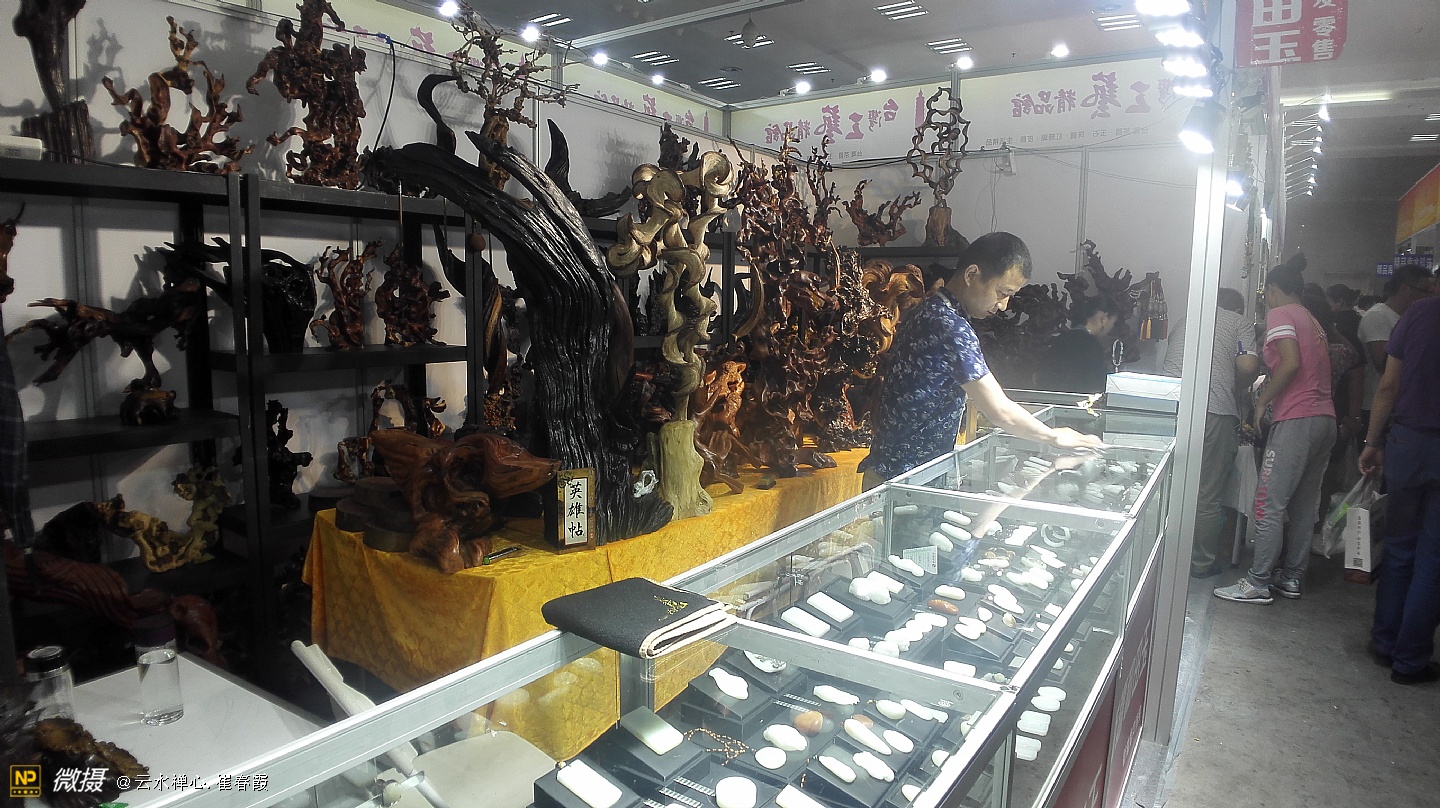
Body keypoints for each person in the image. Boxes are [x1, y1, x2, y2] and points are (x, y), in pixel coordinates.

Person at [859, 232, 1104, 489]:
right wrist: (1053, 436)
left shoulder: (929, 309)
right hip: (905, 481)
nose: (1003, 305)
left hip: (893, 473)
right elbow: (1000, 411)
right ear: (971, 274)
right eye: (1002, 292)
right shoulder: (951, 326)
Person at [1215, 264, 1335, 604]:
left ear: (1270, 288)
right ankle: (1292, 577)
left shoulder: (1281, 313)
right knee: (1303, 505)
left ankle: (1258, 581)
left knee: (1268, 502)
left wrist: (1262, 401)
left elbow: (1291, 362)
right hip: (1324, 418)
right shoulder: (1311, 318)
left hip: (1296, 419)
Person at [1360, 294, 1440, 684]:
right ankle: (1410, 660)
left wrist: (1372, 441)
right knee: (1434, 558)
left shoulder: (1420, 313)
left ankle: (1385, 642)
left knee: (1398, 547)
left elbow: (1388, 385)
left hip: (1408, 443)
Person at [1161, 288, 1261, 578]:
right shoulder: (1239, 322)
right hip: (1212, 410)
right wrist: (1238, 385)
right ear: (1236, 308)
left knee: (1169, 486)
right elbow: (1248, 365)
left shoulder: (1184, 321)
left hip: (1170, 409)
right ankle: (1200, 563)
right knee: (1206, 491)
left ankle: (1163, 555)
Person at [1358, 266, 1435, 430]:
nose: (1430, 296)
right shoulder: (1378, 316)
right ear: (1405, 288)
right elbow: (1382, 364)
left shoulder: (1411, 317)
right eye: (1425, 291)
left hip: (1404, 405)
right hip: (1378, 405)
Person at [1038, 296, 1120, 394]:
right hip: (1078, 399)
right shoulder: (1091, 344)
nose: (1112, 327)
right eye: (1113, 323)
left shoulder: (1060, 339)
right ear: (1103, 318)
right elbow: (1094, 384)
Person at [1326, 283, 1362, 351]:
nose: (1327, 305)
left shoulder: (1337, 322)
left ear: (1340, 301)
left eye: (1329, 301)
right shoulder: (1359, 318)